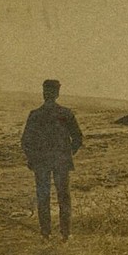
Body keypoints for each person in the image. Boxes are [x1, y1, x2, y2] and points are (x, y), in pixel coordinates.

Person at [21, 79, 83, 241]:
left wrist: (33, 158)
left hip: (42, 163)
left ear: (45, 93)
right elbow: (77, 138)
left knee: (44, 196)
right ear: (57, 93)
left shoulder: (35, 115)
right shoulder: (66, 113)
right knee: (63, 196)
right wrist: (67, 154)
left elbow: (26, 142)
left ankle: (45, 233)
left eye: (46, 91)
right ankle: (65, 233)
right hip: (61, 161)